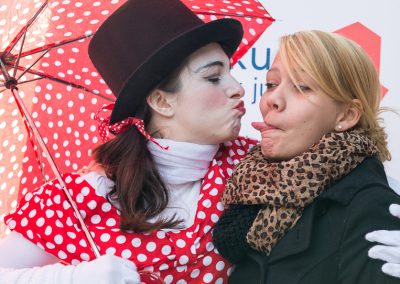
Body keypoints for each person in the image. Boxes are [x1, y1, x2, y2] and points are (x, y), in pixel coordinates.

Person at [0, 0, 255, 283]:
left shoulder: (253, 165)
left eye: (232, 72)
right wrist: (73, 278)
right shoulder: (81, 200)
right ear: (161, 101)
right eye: (213, 77)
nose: (238, 89)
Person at [212, 30, 400, 284]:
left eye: (302, 87)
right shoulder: (249, 190)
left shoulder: (371, 207)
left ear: (346, 116)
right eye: (271, 84)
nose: (272, 100)